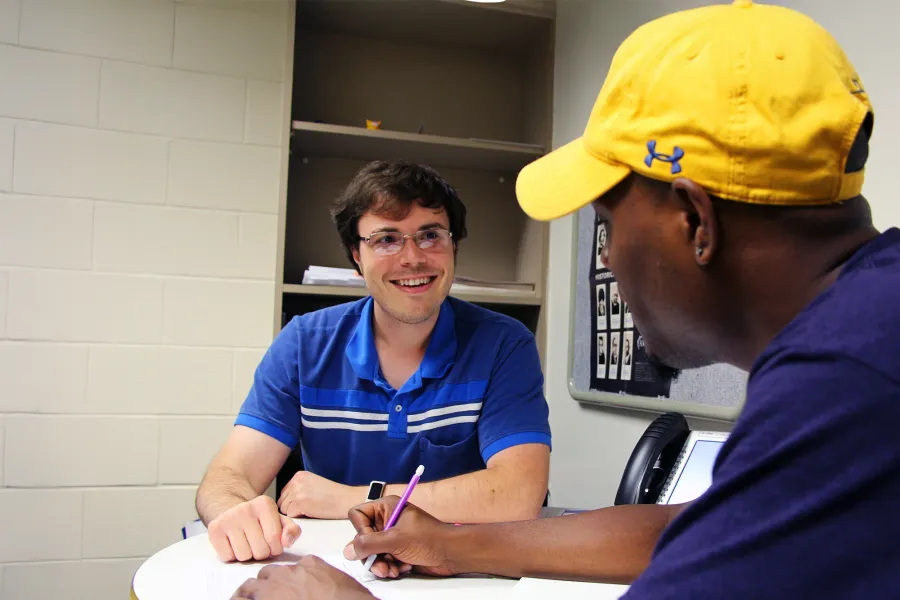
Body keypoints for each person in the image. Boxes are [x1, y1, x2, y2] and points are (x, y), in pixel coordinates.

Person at [229, 1, 900, 598]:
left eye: (607, 223)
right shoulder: (867, 322)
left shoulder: (847, 378)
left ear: (696, 223)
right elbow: (703, 530)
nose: (604, 257)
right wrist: (451, 542)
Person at [199, 160, 552, 563]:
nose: (412, 258)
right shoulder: (303, 343)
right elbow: (229, 476)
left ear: (454, 246)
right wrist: (234, 511)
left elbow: (519, 495)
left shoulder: (504, 344)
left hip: (456, 570)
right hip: (331, 566)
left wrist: (359, 498)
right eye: (386, 239)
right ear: (356, 256)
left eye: (431, 235)